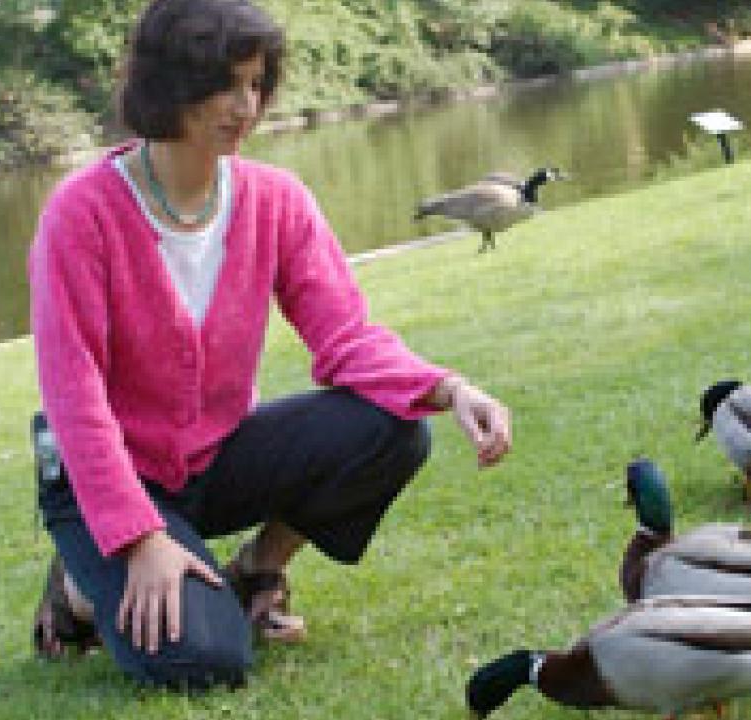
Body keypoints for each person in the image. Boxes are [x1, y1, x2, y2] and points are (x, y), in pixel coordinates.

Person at [27, 0, 512, 691]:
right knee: (206, 660)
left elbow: (344, 335)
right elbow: (74, 393)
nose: (244, 105)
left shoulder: (276, 200)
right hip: (105, 480)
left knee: (396, 426)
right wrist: (138, 537)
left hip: (213, 457)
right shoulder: (81, 213)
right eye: (224, 84)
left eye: (255, 83)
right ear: (168, 85)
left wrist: (451, 389)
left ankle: (259, 568)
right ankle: (78, 590)